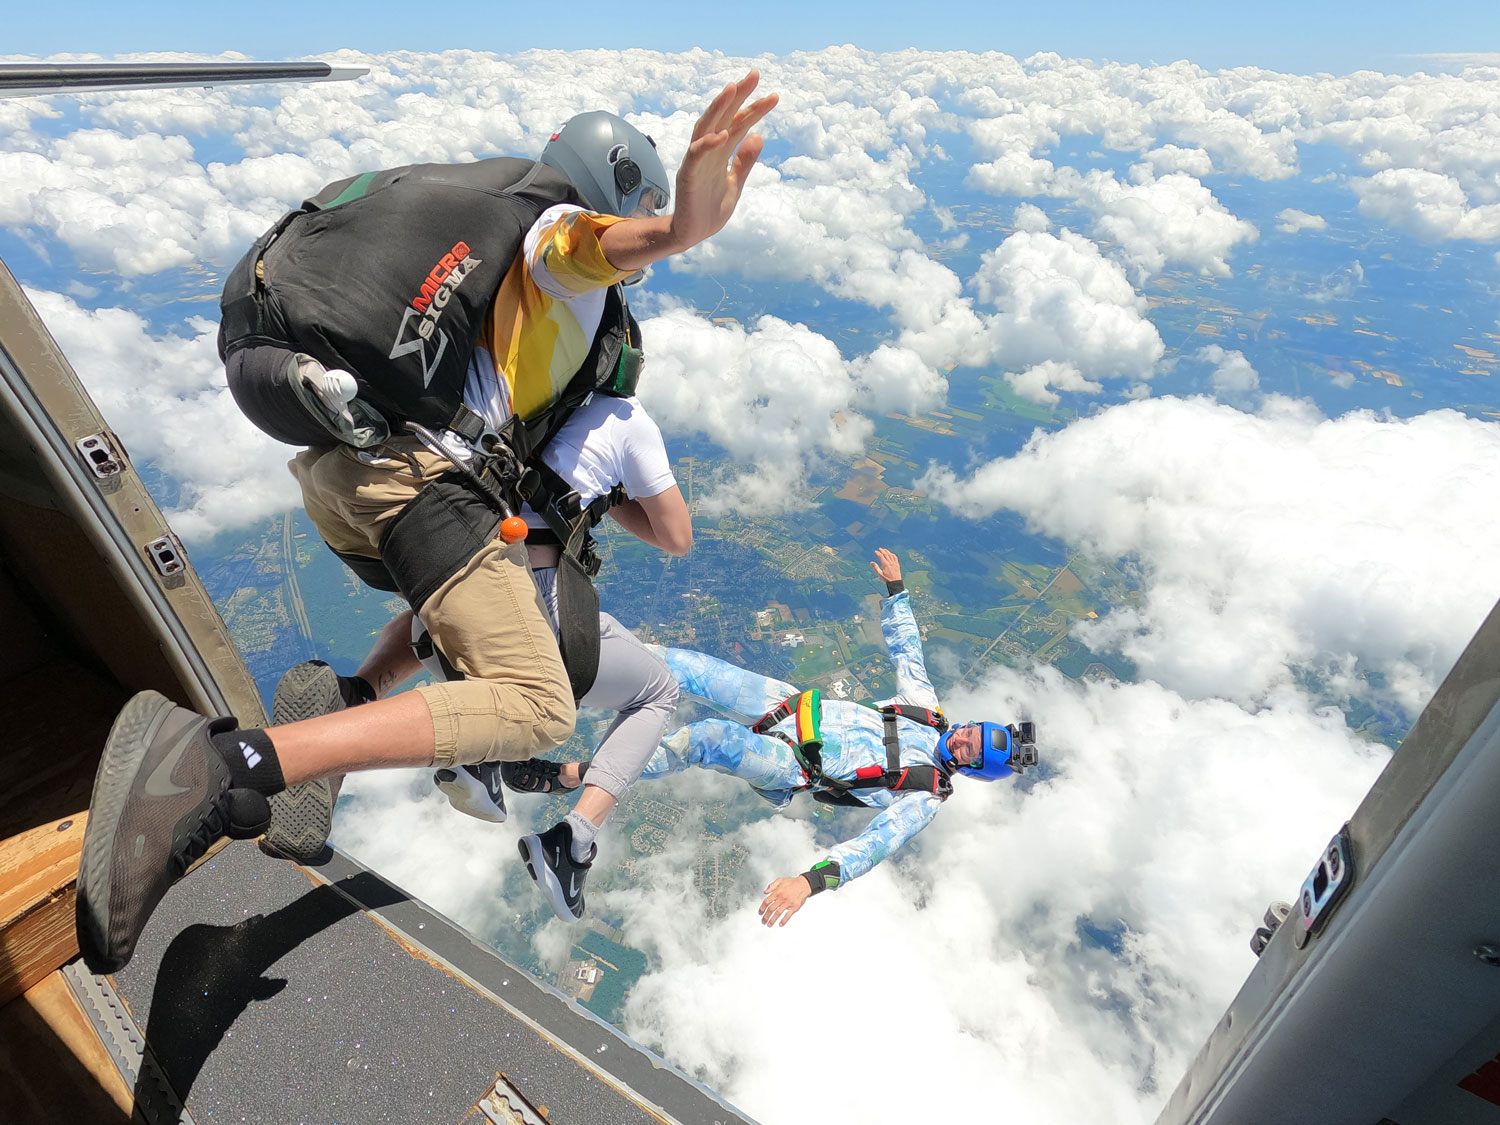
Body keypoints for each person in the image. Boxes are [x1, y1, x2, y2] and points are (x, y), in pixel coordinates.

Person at [76, 73, 778, 975]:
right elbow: (585, 248)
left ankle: (352, 699)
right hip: (411, 482)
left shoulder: (493, 252)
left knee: (466, 599)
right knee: (535, 703)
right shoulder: (555, 239)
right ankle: (225, 765)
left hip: (346, 481)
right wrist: (682, 229)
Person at [279, 385, 692, 923]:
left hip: (437, 572)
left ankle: (358, 690)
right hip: (533, 607)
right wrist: (611, 495)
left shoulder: (506, 386)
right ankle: (576, 839)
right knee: (656, 691)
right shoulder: (624, 416)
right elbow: (676, 535)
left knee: (436, 610)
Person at [529, 548, 1037, 927]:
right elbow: (909, 652)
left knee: (709, 738)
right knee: (680, 664)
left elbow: (873, 847)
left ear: (971, 769)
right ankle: (561, 653)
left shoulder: (925, 794)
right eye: (975, 729)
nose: (964, 738)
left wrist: (807, 883)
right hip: (790, 703)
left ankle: (571, 787)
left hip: (790, 762)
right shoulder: (929, 714)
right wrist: (897, 591)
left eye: (972, 749)